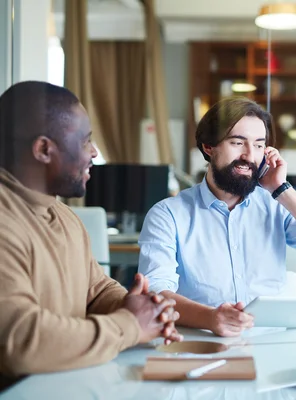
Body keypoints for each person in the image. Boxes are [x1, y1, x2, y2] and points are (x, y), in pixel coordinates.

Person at [0, 81, 182, 378]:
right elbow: (22, 340)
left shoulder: (65, 217)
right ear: (44, 149)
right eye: (85, 141)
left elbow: (96, 291)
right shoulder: (5, 222)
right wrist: (130, 325)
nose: (94, 152)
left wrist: (137, 306)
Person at [138, 96, 296, 337]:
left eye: (259, 145)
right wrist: (210, 318)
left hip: (272, 345)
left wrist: (281, 189)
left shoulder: (275, 205)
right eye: (237, 142)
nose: (249, 155)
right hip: (202, 342)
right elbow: (154, 292)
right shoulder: (168, 214)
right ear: (209, 147)